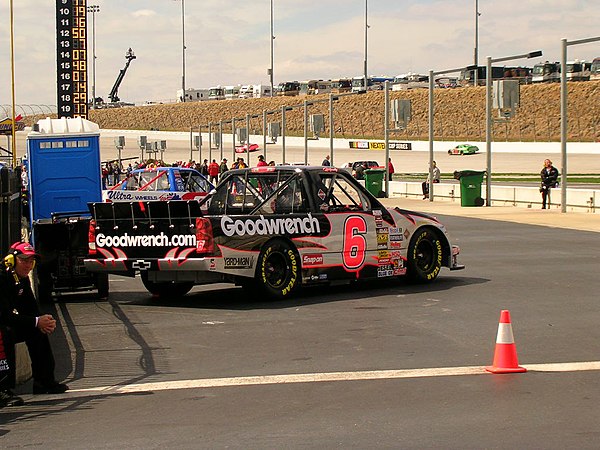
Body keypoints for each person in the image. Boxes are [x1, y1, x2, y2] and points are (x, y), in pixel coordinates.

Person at [0, 242, 68, 407]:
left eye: (31, 261)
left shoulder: (22, 280)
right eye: (24, 260)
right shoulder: (1, 278)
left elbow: (31, 308)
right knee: (6, 332)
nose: (28, 265)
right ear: (11, 260)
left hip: (8, 322)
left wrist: (43, 321)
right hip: (2, 325)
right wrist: (36, 321)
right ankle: (3, 389)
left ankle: (44, 381)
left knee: (38, 331)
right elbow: (4, 316)